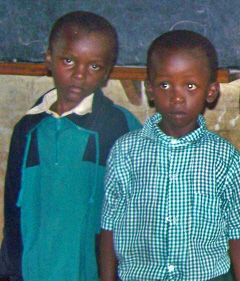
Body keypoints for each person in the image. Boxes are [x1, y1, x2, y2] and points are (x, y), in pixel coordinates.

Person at [0, 11, 141, 281]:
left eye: (94, 66)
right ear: (49, 59)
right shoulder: (28, 128)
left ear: (106, 73)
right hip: (35, 271)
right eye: (68, 60)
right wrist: (10, 270)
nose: (79, 75)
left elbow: (141, 209)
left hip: (95, 271)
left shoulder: (120, 127)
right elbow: (13, 208)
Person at [100, 30, 240, 281]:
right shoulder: (126, 151)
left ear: (210, 91)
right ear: (150, 89)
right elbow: (110, 224)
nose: (176, 97)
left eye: (190, 85)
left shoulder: (224, 157)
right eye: (165, 85)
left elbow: (236, 230)